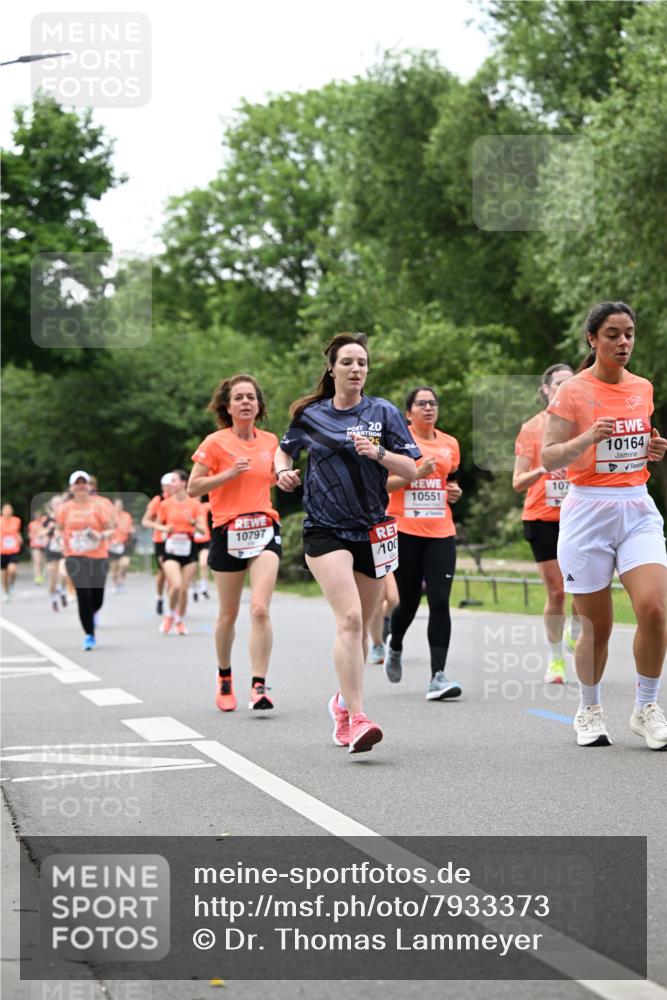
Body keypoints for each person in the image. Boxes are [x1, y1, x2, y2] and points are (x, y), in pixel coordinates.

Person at [275, 333, 419, 753]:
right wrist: (282, 472)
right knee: (351, 619)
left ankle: (340, 703)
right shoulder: (311, 415)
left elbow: (410, 469)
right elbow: (284, 452)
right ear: (332, 369)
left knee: (358, 635)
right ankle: (358, 718)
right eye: (348, 362)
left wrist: (377, 453)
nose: (357, 369)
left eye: (362, 363)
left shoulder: (384, 413)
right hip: (326, 530)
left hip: (373, 529)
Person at [542, 301, 667, 750]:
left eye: (629, 333)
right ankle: (589, 709)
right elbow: (549, 456)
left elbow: (638, 441)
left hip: (635, 506)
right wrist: (588, 437)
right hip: (587, 511)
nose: (623, 342)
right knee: (597, 626)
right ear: (593, 339)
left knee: (654, 609)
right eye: (613, 334)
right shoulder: (573, 391)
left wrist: (651, 448)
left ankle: (647, 707)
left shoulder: (643, 388)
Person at [189, 375, 281, 712]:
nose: (245, 402)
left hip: (264, 527)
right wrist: (227, 474)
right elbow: (193, 488)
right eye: (239, 397)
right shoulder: (215, 443)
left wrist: (284, 478)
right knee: (228, 614)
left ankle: (259, 685)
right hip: (228, 530)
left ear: (258, 406)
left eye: (251, 397)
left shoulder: (271, 441)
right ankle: (225, 675)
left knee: (259, 608)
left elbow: (271, 477)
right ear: (227, 407)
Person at [383, 387, 464, 700]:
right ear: (408, 413)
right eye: (421, 403)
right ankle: (396, 642)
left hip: (441, 531)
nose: (428, 408)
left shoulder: (450, 444)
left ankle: (438, 676)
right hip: (405, 530)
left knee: (440, 601)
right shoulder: (398, 442)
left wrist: (454, 492)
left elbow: (451, 481)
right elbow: (384, 484)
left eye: (433, 403)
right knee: (409, 601)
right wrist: (415, 472)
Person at [513, 364, 581, 683]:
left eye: (571, 384)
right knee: (557, 592)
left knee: (586, 588)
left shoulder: (587, 424)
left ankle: (576, 630)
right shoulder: (531, 428)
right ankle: (555, 661)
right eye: (558, 385)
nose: (565, 389)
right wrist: (542, 470)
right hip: (542, 517)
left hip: (581, 514)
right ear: (546, 390)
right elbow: (517, 482)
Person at [57, 471, 115, 650]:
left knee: (97, 599)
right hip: (74, 556)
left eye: (84, 483)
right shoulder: (64, 508)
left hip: (98, 556)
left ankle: (91, 614)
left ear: (90, 486)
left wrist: (99, 535)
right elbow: (60, 530)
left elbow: (111, 529)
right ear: (71, 487)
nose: (81, 486)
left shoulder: (100, 505)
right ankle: (89, 634)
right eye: (77, 483)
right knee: (83, 594)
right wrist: (62, 543)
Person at [151, 470, 204, 635]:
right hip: (171, 549)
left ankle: (179, 620)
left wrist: (193, 522)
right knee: (176, 585)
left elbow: (203, 530)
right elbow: (157, 524)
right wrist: (165, 528)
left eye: (173, 481)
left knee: (183, 589)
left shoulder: (195, 504)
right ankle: (169, 616)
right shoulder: (165, 504)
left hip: (189, 550)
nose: (169, 484)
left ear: (183, 483)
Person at [141, 474, 175, 615]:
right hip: (161, 541)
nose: (169, 488)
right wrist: (161, 528)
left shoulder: (181, 501)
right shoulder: (158, 500)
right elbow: (145, 521)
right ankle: (160, 597)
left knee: (174, 573)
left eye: (172, 485)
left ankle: (173, 604)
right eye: (167, 485)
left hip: (178, 541)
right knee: (164, 572)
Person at [41, 495, 68, 611]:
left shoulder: (66, 517)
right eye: (55, 504)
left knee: (64, 573)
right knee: (52, 577)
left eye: (59, 503)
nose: (57, 506)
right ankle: (53, 599)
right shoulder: (47, 519)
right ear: (51, 506)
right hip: (51, 551)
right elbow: (40, 533)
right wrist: (50, 529)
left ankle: (62, 590)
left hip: (63, 550)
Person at [367, 573, 399, 663]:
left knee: (394, 598)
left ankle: (385, 621)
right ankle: (378, 645)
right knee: (378, 597)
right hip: (373, 560)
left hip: (394, 559)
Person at [109, 498, 135, 593]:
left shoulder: (127, 516)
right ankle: (115, 585)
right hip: (112, 545)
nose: (119, 507)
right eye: (117, 505)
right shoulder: (110, 516)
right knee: (114, 568)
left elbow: (131, 527)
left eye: (120, 505)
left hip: (124, 544)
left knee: (125, 563)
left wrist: (132, 530)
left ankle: (120, 582)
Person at [191, 496, 212, 602]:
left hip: (204, 539)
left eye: (198, 498)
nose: (197, 500)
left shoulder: (204, 507)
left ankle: (204, 587)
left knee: (203, 563)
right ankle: (194, 587)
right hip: (192, 541)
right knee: (193, 567)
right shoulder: (187, 508)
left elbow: (215, 504)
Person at [1, 503, 22, 600]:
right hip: (2, 551)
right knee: (3, 573)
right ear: (2, 511)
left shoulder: (16, 520)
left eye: (9, 510)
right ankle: (5, 592)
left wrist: (19, 537)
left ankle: (12, 584)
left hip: (13, 549)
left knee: (12, 570)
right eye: (5, 510)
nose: (7, 511)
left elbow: (15, 531)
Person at [28, 510, 46, 584]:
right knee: (37, 561)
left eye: (39, 516)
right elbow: (30, 533)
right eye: (36, 516)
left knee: (42, 561)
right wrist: (32, 536)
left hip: (44, 545)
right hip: (35, 545)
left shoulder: (44, 522)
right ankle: (37, 576)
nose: (37, 517)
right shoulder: (32, 524)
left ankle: (41, 575)